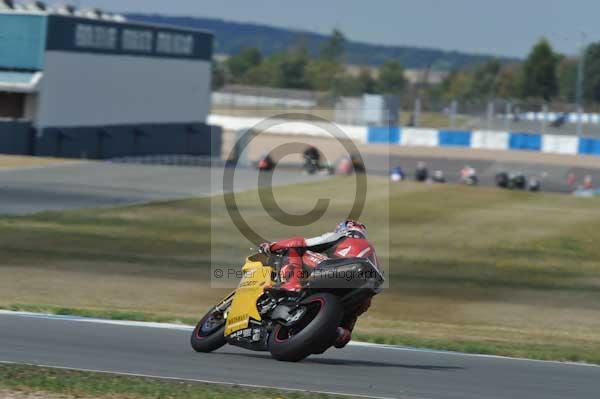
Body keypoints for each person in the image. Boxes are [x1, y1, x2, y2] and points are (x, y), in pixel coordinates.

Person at [259, 220, 377, 348]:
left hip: (340, 270)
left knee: (294, 248)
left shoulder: (341, 236)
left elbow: (300, 242)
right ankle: (343, 331)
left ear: (344, 229)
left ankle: (292, 284)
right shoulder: (371, 251)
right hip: (364, 290)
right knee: (355, 308)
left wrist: (271, 247)